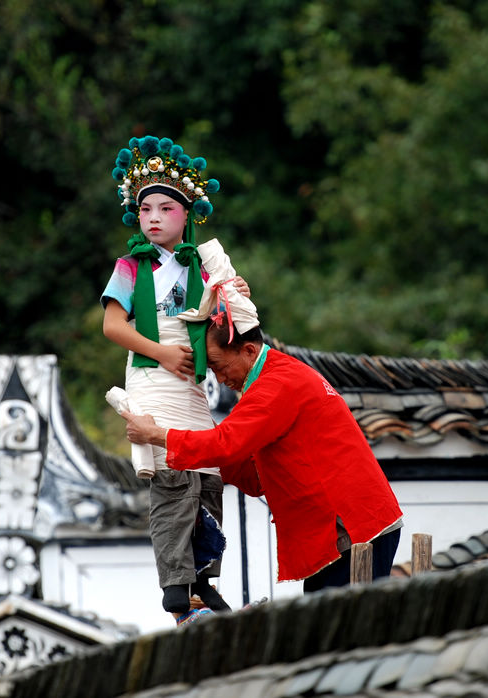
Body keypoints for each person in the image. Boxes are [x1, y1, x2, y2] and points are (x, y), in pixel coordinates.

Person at [120, 312, 403, 592]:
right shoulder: (278, 375)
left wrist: (157, 435)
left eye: (218, 366)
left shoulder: (274, 386)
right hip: (356, 523)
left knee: (343, 630)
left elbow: (224, 443)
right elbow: (254, 477)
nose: (218, 379)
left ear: (248, 350)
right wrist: (208, 459)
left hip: (353, 528)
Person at [101, 135, 259, 626]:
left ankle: (202, 581)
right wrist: (163, 352)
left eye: (164, 208)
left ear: (187, 214)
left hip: (193, 385)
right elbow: (112, 326)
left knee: (207, 480)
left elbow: (232, 325)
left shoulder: (203, 265)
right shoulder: (131, 265)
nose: (152, 218)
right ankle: (175, 585)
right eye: (145, 208)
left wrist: (234, 296)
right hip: (152, 374)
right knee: (171, 480)